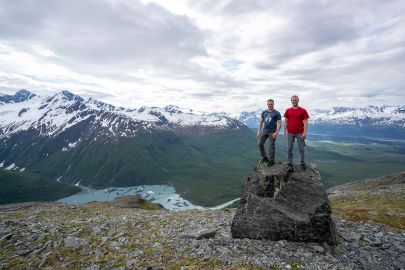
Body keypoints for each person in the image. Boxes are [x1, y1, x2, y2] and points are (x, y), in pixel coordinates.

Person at [283, 95, 309, 170]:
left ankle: (302, 163)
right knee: (289, 148)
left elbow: (306, 122)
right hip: (290, 132)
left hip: (300, 132)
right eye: (293, 100)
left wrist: (304, 133)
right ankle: (289, 163)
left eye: (296, 100)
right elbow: (286, 122)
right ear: (291, 101)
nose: (294, 101)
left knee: (301, 148)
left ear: (298, 101)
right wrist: (285, 131)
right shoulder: (288, 110)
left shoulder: (303, 110)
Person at [257, 99, 282, 166]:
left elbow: (279, 123)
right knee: (260, 143)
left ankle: (271, 161)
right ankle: (264, 157)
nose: (270, 105)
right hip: (264, 131)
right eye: (269, 104)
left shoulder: (277, 113)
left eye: (271, 104)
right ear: (267, 104)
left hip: (272, 132)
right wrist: (259, 131)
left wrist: (276, 132)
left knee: (271, 146)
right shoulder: (264, 112)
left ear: (273, 104)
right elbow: (261, 122)